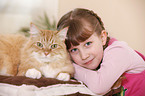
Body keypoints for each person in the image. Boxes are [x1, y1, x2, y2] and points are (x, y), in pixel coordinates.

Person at [57, 8, 145, 96]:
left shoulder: (119, 51)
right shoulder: (90, 63)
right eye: (74, 50)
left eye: (88, 44)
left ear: (102, 38)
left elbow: (99, 87)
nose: (84, 56)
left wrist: (67, 66)